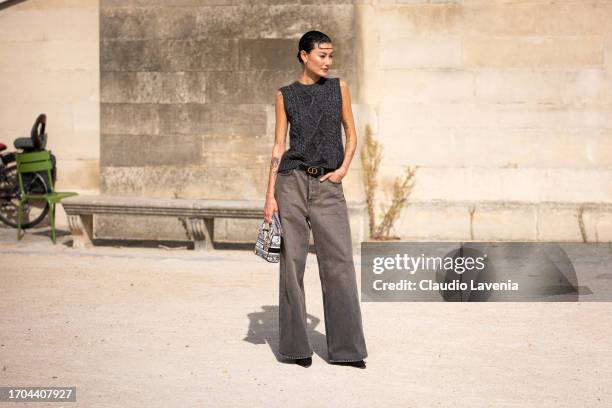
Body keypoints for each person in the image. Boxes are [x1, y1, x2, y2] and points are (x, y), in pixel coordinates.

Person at [263, 31, 368, 369]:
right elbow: (279, 146)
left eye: (331, 55)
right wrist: (269, 197)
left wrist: (343, 169)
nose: (328, 61)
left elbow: (351, 133)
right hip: (290, 183)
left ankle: (347, 350)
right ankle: (295, 348)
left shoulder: (339, 89)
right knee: (291, 265)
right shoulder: (285, 95)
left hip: (327, 184)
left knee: (339, 264)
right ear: (303, 55)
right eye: (322, 55)